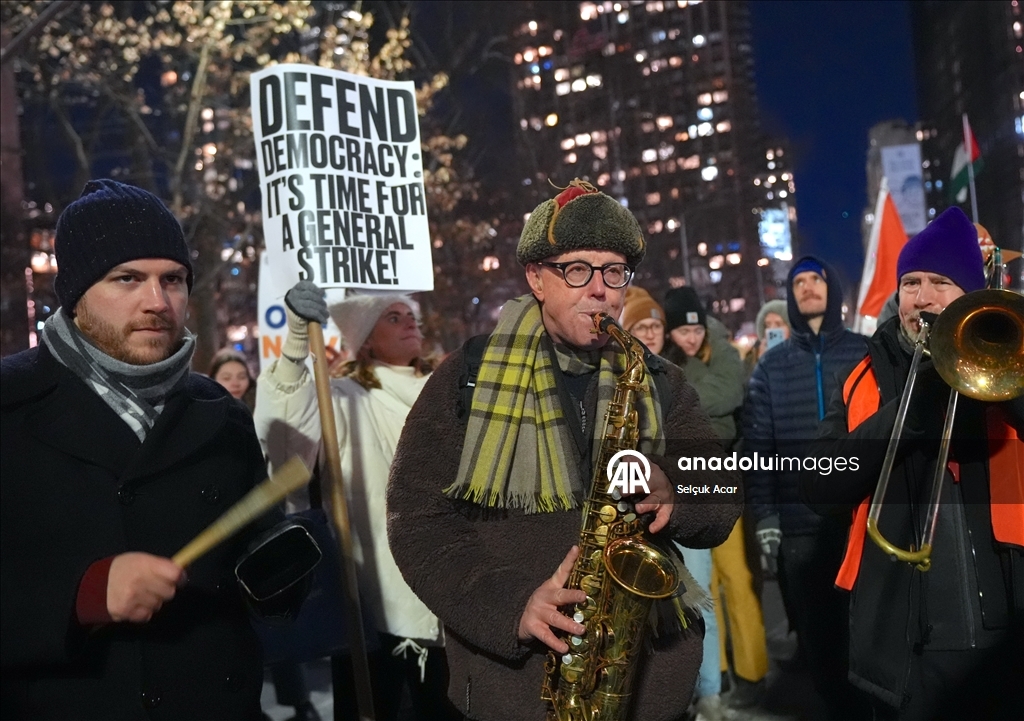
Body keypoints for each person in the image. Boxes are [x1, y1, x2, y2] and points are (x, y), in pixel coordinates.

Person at [386, 180, 741, 721]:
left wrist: (678, 488)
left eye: (614, 271)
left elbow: (721, 486)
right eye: (577, 269)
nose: (599, 290)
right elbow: (418, 523)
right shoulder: (465, 377)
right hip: (511, 687)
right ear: (536, 277)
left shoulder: (661, 380)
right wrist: (512, 606)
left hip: (646, 687)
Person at [0, 179, 316, 720]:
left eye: (173, 280)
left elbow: (248, 563)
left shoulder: (218, 413)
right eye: (127, 279)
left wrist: (280, 564)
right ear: (76, 294)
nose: (157, 302)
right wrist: (84, 595)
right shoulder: (10, 406)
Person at [801, 206, 1024, 721]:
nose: (921, 298)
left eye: (940, 282)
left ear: (971, 293)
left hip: (1000, 626)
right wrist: (907, 414)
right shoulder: (863, 375)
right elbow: (817, 486)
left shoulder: (1009, 353)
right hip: (904, 644)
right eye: (910, 282)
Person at [255, 285, 459, 721]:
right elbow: (287, 437)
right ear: (365, 338)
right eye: (394, 316)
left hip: (453, 596)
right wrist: (295, 344)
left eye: (412, 316)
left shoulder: (446, 393)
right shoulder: (342, 398)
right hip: (375, 609)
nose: (410, 322)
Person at [742, 255, 869, 720]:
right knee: (818, 639)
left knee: (868, 630)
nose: (808, 288)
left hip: (860, 520)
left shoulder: (865, 352)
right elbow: (757, 447)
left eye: (817, 279)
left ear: (831, 289)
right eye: (799, 282)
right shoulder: (770, 368)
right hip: (798, 527)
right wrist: (767, 517)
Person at [663, 287, 769, 713]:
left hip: (721, 474)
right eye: (682, 330)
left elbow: (730, 396)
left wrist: (685, 398)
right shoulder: (669, 358)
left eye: (695, 329)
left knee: (736, 578)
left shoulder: (720, 350)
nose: (690, 338)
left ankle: (751, 671)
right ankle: (716, 673)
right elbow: (709, 403)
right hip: (686, 479)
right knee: (701, 586)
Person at [743, 299, 790, 379]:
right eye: (767, 325)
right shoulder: (752, 357)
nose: (772, 329)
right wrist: (761, 363)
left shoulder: (803, 356)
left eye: (779, 324)